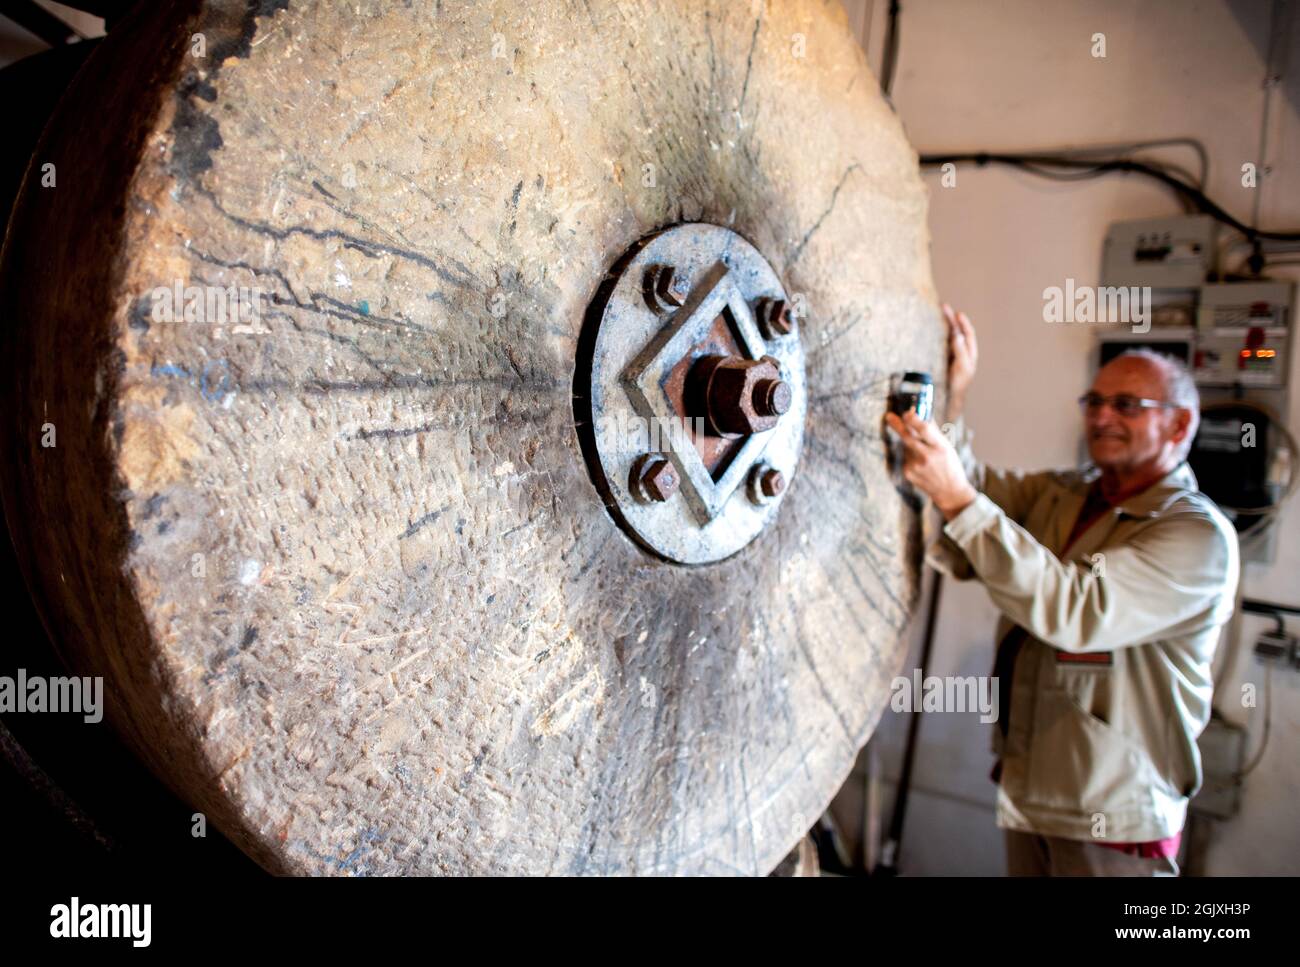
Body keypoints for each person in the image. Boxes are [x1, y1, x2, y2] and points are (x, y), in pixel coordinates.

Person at [884, 305, 1239, 876]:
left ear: (1179, 426)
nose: (1102, 417)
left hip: (1114, 817)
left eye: (1127, 405)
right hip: (1031, 789)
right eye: (1094, 402)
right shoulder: (1069, 495)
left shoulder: (1196, 537)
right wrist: (954, 397)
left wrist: (959, 500)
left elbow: (1077, 608)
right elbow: (972, 490)